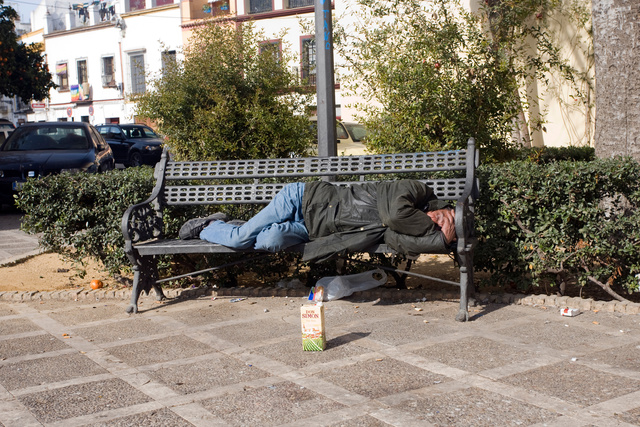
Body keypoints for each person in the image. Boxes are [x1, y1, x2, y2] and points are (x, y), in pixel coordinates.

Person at [180, 179, 456, 263]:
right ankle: (208, 226)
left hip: (310, 230)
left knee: (268, 240)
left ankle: (244, 225)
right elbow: (395, 215)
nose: (436, 220)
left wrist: (441, 239)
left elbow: (400, 240)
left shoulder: (392, 231)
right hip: (303, 199)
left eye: (440, 224)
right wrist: (430, 225)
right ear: (445, 207)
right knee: (240, 240)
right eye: (443, 216)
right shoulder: (415, 191)